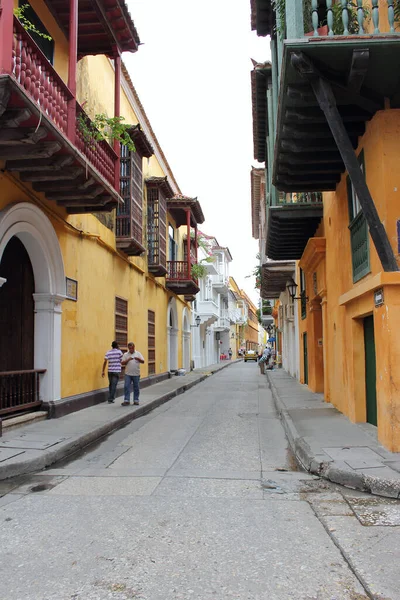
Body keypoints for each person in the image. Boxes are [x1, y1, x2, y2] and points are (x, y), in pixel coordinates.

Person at [121, 342, 145, 406]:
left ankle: (136, 400)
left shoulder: (138, 353)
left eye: (132, 348)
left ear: (134, 347)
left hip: (136, 374)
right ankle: (126, 400)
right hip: (128, 374)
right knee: (126, 386)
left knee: (136, 387)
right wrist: (128, 359)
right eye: (129, 348)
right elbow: (122, 363)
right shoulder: (126, 354)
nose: (131, 349)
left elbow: (143, 361)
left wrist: (138, 359)